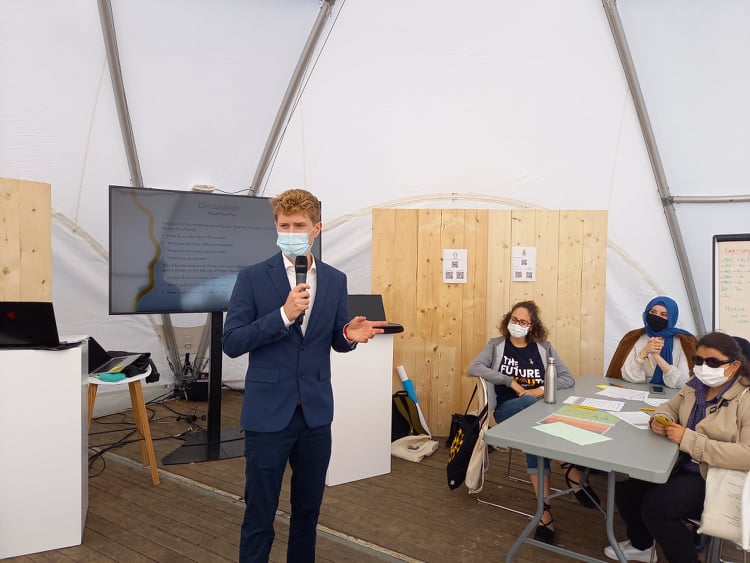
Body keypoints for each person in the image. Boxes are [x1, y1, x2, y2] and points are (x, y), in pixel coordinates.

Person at [222, 189, 386, 563]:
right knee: (259, 513)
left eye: (299, 225)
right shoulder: (252, 278)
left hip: (315, 416)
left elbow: (334, 340)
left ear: (316, 229)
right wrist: (283, 315)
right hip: (267, 416)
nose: (292, 232)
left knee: (307, 513)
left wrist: (348, 335)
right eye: (285, 225)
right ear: (276, 227)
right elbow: (232, 342)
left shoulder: (335, 280)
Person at [604, 331, 750, 563]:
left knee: (657, 507)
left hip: (716, 475)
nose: (704, 367)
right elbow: (670, 406)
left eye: (713, 362)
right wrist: (660, 419)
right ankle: (642, 546)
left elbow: (746, 455)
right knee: (627, 488)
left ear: (734, 366)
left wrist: (687, 439)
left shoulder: (745, 398)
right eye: (698, 360)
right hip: (680, 461)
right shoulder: (695, 384)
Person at [468, 300, 599, 545]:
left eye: (523, 321)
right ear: (508, 320)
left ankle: (544, 512)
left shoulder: (543, 348)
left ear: (532, 325)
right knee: (530, 410)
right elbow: (474, 368)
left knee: (534, 434)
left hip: (539, 416)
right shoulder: (496, 345)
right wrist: (510, 381)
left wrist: (540, 390)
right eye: (514, 319)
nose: (517, 324)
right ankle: (568, 468)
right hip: (509, 411)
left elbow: (567, 378)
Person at [606, 296, 697, 388]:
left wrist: (656, 356)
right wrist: (644, 351)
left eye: (663, 314)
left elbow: (682, 382)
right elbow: (627, 376)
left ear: (672, 317)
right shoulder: (633, 337)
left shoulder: (685, 341)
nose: (657, 317)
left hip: (672, 394)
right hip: (638, 390)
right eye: (653, 312)